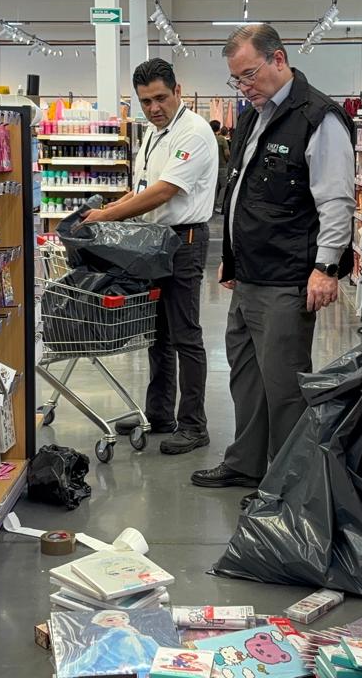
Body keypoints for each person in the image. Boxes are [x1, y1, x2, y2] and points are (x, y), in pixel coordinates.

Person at [191, 23, 355, 492]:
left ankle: (286, 485)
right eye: (236, 79)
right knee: (246, 377)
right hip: (249, 275)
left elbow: (336, 200)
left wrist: (326, 267)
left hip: (288, 278)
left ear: (278, 59)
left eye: (249, 74)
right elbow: (241, 192)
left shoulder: (318, 117)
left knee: (283, 388)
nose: (244, 87)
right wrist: (232, 255)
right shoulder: (253, 117)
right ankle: (246, 463)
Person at [82, 58, 218, 455]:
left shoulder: (193, 132)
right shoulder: (154, 134)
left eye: (160, 98)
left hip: (183, 242)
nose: (154, 108)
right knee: (157, 334)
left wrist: (108, 216)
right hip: (154, 242)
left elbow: (164, 191)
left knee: (185, 335)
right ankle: (160, 414)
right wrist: (109, 208)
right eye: (145, 101)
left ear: (178, 91)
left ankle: (194, 425)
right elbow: (143, 188)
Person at [209, 119, 230, 213]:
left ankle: (211, 206)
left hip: (210, 167)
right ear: (218, 128)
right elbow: (227, 153)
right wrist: (228, 161)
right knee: (224, 186)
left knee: (213, 187)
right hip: (222, 166)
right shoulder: (221, 139)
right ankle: (219, 205)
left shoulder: (207, 138)